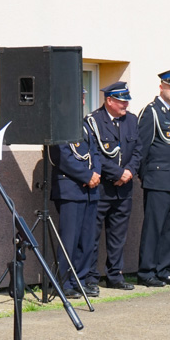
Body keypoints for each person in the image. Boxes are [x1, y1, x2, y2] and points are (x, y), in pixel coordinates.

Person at [86, 81, 142, 290]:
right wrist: (118, 173)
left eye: (127, 101)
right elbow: (95, 154)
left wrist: (128, 173)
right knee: (92, 236)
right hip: (102, 188)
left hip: (124, 188)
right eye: (121, 101)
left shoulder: (132, 120)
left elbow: (138, 150)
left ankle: (115, 276)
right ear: (109, 100)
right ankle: (91, 277)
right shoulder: (93, 121)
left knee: (118, 236)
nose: (125, 105)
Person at [136, 69, 170, 287]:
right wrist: (145, 178)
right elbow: (142, 149)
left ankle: (163, 269)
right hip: (157, 180)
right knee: (153, 228)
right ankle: (146, 272)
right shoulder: (151, 112)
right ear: (162, 87)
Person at [48, 89, 101, 297]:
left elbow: (95, 152)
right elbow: (61, 157)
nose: (81, 101)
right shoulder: (58, 123)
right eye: (77, 96)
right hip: (70, 188)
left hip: (90, 189)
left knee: (87, 238)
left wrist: (96, 172)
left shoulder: (85, 124)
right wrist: (86, 176)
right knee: (69, 239)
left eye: (83, 97)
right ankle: (64, 282)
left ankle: (80, 278)